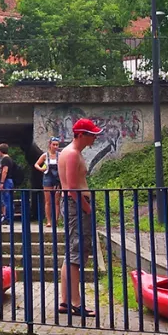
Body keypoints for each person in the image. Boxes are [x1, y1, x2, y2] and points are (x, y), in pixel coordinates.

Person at [58, 119, 101, 318]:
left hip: (73, 205)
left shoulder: (68, 152)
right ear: (81, 134)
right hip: (77, 205)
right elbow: (72, 188)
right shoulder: (73, 154)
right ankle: (76, 303)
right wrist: (87, 209)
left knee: (71, 252)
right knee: (77, 252)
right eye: (92, 134)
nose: (95, 137)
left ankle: (65, 302)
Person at [35, 137, 62, 228]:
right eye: (53, 144)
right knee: (48, 201)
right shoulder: (45, 155)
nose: (55, 146)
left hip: (57, 178)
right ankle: (48, 221)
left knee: (56, 201)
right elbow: (36, 164)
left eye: (56, 145)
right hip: (47, 178)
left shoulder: (60, 155)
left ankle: (56, 220)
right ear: (50, 145)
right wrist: (41, 169)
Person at [0, 143, 18, 222]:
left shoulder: (5, 159)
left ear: (0, 150)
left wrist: (1, 182)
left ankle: (8, 218)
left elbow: (5, 171)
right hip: (10, 181)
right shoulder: (10, 159)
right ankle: (9, 217)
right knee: (9, 199)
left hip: (6, 181)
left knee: (7, 200)